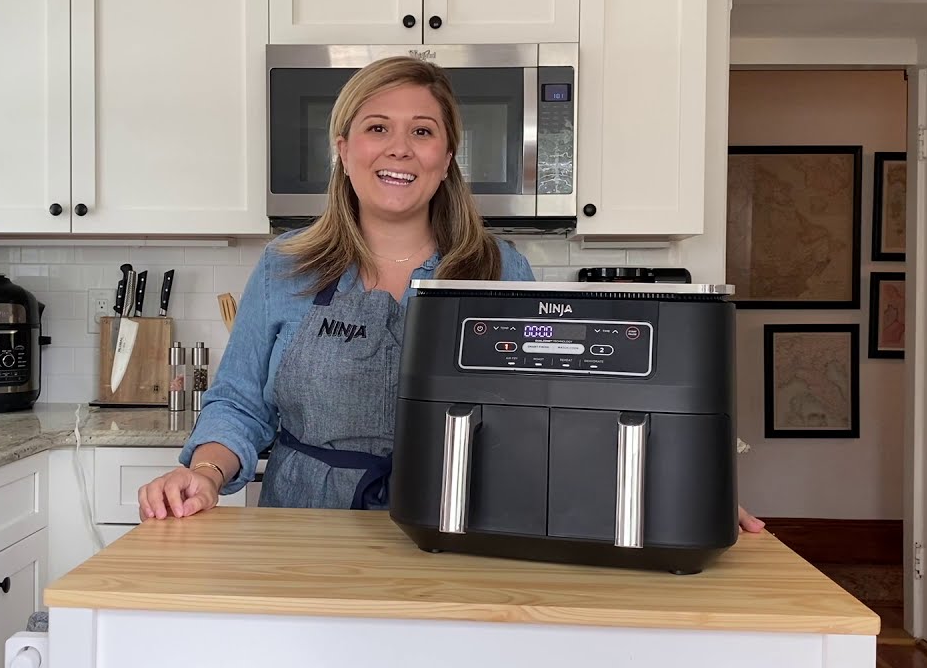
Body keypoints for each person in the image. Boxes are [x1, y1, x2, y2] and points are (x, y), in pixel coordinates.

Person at [137, 55, 767, 536]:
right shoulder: (286, 268)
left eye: (423, 131)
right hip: (305, 530)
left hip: (459, 528)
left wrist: (684, 489)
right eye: (377, 127)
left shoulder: (498, 270)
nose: (399, 149)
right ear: (344, 148)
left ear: (446, 156)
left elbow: (563, 408)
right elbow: (241, 404)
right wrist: (204, 473)